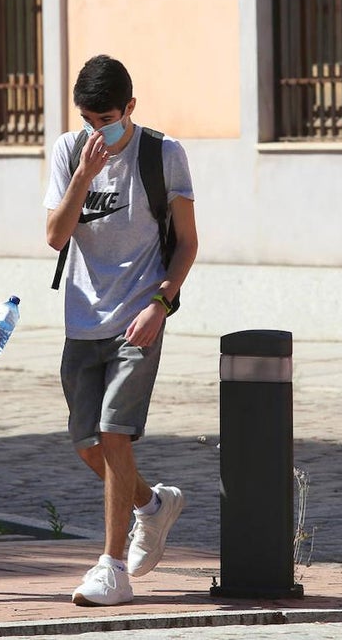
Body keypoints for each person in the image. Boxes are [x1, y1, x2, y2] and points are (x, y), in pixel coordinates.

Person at [43, 55, 198, 606]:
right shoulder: (69, 151)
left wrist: (161, 302)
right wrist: (84, 174)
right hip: (83, 319)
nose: (96, 130)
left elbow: (187, 242)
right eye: (88, 119)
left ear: (130, 107)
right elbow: (55, 237)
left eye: (106, 119)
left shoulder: (163, 153)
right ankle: (153, 506)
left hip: (139, 316)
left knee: (114, 435)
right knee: (89, 446)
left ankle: (112, 569)